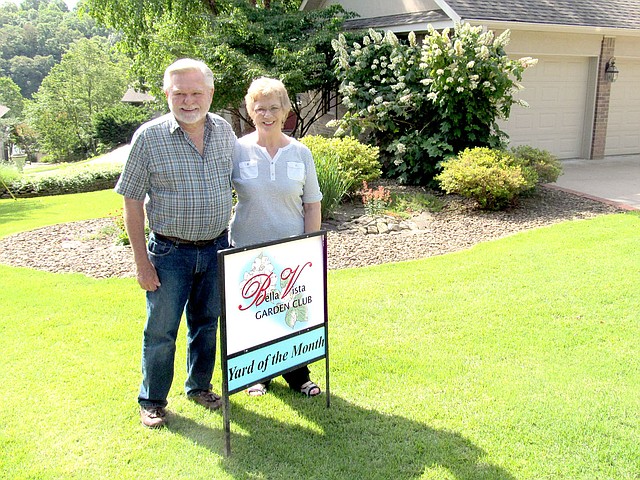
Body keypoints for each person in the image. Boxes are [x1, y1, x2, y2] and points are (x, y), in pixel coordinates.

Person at [115, 58, 236, 428]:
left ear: (210, 94)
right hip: (169, 253)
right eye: (179, 92)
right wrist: (141, 263)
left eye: (196, 92)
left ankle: (199, 386)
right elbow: (132, 203)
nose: (188, 100)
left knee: (207, 323)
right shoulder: (149, 138)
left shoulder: (225, 131)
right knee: (161, 330)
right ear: (166, 93)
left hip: (217, 247)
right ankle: (152, 400)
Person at [229, 77, 323, 397]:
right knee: (257, 315)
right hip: (247, 249)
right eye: (259, 109)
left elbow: (311, 204)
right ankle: (258, 376)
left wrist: (310, 249)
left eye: (273, 108)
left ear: (284, 111)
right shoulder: (237, 151)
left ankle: (299, 376)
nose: (266, 114)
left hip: (291, 252)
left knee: (293, 315)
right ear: (250, 112)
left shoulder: (300, 153)